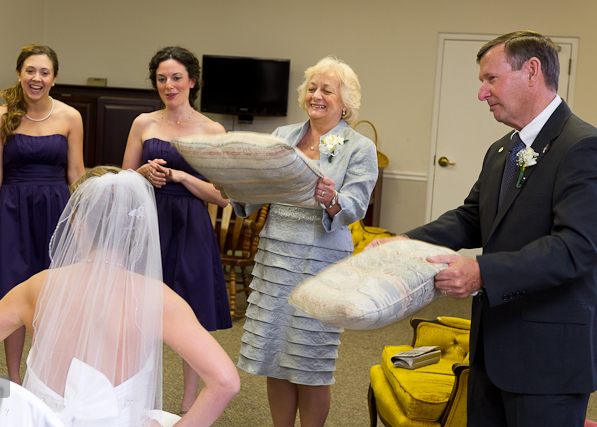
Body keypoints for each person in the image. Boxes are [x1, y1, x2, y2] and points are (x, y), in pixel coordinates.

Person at [368, 31, 597, 427]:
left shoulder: (582, 146)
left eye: (490, 79)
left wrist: (481, 273)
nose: (482, 93)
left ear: (531, 71)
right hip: (490, 347)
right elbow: (471, 217)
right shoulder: (501, 150)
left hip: (547, 358)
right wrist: (405, 242)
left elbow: (576, 247)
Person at [0, 167, 240, 426]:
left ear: (75, 222)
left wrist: (1, 412)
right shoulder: (157, 299)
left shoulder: (37, 286)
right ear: (136, 229)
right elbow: (225, 382)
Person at [233, 56, 378, 427]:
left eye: (327, 90)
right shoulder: (283, 136)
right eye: (312, 88)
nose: (317, 95)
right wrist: (235, 186)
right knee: (274, 351)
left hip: (322, 258)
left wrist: (332, 199)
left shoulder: (358, 147)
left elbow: (356, 207)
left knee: (310, 356)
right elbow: (260, 190)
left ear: (345, 101)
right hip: (276, 254)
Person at [122, 46, 232, 414]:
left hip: (191, 226)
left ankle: (189, 403)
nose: (169, 85)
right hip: (148, 221)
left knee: (190, 314)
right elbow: (122, 182)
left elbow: (222, 196)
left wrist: (183, 176)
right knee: (138, 314)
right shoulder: (143, 123)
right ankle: (135, 396)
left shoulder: (212, 129)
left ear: (192, 81)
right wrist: (142, 174)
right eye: (162, 79)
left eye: (176, 78)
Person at [0, 44, 85, 384]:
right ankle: (16, 379)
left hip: (55, 212)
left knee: (56, 297)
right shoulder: (1, 116)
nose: (37, 78)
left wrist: (79, 224)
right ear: (19, 74)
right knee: (14, 296)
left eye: (44, 72)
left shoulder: (70, 117)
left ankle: (49, 377)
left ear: (55, 78)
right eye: (30, 71)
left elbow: (76, 173)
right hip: (13, 213)